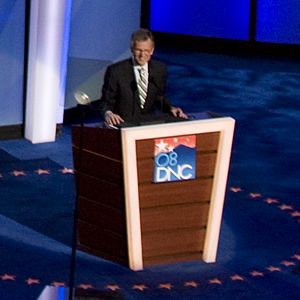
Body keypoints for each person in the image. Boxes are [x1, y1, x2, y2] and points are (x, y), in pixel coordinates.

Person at [100, 28, 188, 126]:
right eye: (138, 50)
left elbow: (159, 97)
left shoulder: (159, 69)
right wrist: (108, 113)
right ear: (132, 49)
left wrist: (171, 108)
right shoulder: (116, 71)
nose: (142, 55)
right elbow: (106, 102)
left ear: (152, 51)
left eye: (146, 50)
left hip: (148, 124)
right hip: (124, 124)